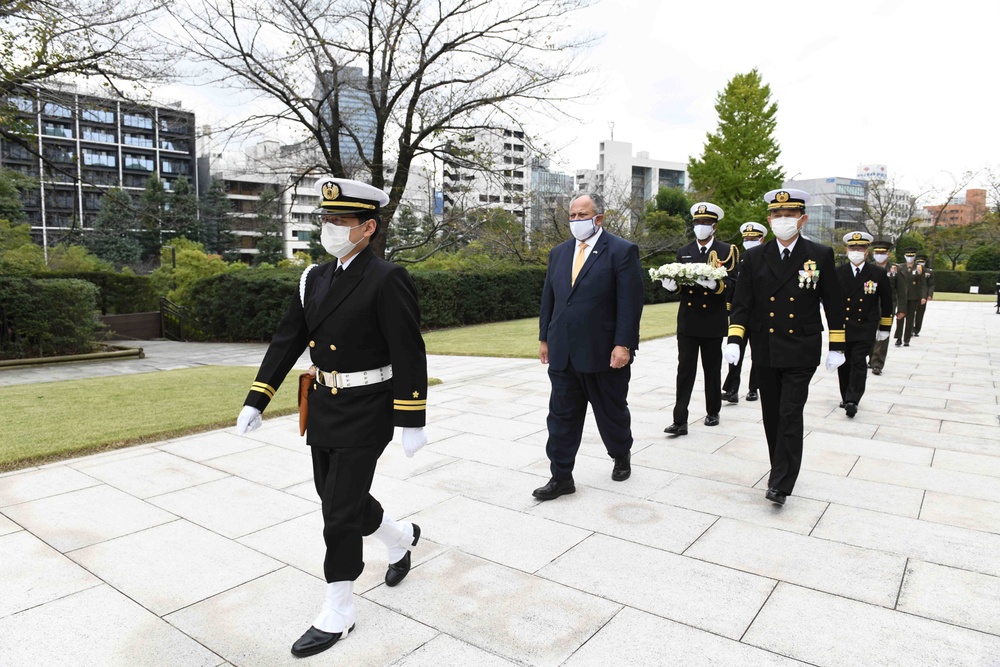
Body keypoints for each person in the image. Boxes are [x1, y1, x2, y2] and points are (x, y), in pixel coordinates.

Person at [235, 177, 428, 658]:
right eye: (326, 220)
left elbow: (409, 349)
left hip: (369, 408)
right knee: (338, 496)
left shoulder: (387, 278)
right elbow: (287, 340)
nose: (330, 228)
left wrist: (412, 416)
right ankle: (401, 538)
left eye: (340, 221)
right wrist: (257, 398)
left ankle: (339, 608)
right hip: (323, 406)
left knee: (338, 511)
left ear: (368, 227)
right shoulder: (313, 279)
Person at [724, 189, 845, 506]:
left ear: (802, 219)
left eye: (789, 215)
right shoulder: (753, 258)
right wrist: (735, 340)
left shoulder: (819, 254)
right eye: (777, 215)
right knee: (771, 415)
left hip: (801, 348)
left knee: (790, 414)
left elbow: (833, 302)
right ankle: (780, 466)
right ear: (769, 219)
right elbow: (742, 305)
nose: (783, 220)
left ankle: (780, 482)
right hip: (766, 348)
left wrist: (838, 344)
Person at [534, 192, 644, 500]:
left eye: (583, 215)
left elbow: (630, 304)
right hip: (564, 349)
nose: (577, 221)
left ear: (599, 218)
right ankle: (561, 476)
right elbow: (550, 299)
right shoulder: (559, 253)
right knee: (561, 416)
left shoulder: (621, 251)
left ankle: (621, 453)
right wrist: (544, 337)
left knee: (611, 412)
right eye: (572, 215)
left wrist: (623, 344)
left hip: (604, 351)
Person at [661, 202, 738, 434]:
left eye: (705, 223)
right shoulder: (683, 251)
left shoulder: (727, 251)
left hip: (712, 320)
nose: (700, 227)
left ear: (714, 226)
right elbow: (681, 285)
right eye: (697, 223)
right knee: (684, 370)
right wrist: (672, 287)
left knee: (711, 370)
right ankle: (680, 420)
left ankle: (713, 411)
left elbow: (734, 283)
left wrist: (716, 285)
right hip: (688, 319)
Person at [835, 231, 892, 417]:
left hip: (866, 326)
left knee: (858, 362)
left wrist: (885, 328)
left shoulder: (877, 273)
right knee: (844, 363)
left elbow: (887, 302)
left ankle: (853, 399)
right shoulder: (838, 272)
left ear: (867, 251)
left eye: (860, 248)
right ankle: (845, 396)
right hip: (843, 326)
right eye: (853, 247)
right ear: (847, 250)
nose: (856, 251)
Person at [722, 222, 766, 403]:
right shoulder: (739, 260)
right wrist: (728, 308)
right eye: (746, 239)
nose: (749, 241)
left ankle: (754, 388)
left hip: (760, 316)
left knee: (758, 354)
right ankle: (732, 389)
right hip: (740, 315)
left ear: (761, 239)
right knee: (735, 353)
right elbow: (732, 286)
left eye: (753, 239)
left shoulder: (767, 260)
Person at [867, 239, 907, 375]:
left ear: (888, 254)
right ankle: (871, 358)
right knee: (870, 333)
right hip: (870, 305)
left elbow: (902, 290)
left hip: (888, 306)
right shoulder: (868, 267)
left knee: (883, 334)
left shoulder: (895, 269)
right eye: (877, 252)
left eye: (882, 252)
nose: (879, 254)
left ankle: (878, 363)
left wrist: (902, 309)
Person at [894, 248, 926, 347]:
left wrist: (923, 296)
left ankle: (907, 338)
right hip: (901, 296)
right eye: (908, 256)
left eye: (911, 256)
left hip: (913, 296)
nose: (909, 258)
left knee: (910, 318)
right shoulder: (899, 267)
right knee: (900, 317)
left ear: (915, 257)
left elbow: (923, 284)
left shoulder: (919, 268)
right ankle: (898, 337)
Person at [913, 255, 934, 336]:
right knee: (910, 313)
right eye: (919, 262)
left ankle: (917, 329)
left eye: (922, 262)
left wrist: (929, 295)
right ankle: (910, 329)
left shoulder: (929, 272)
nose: (920, 264)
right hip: (912, 294)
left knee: (920, 313)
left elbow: (931, 285)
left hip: (923, 295)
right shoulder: (912, 270)